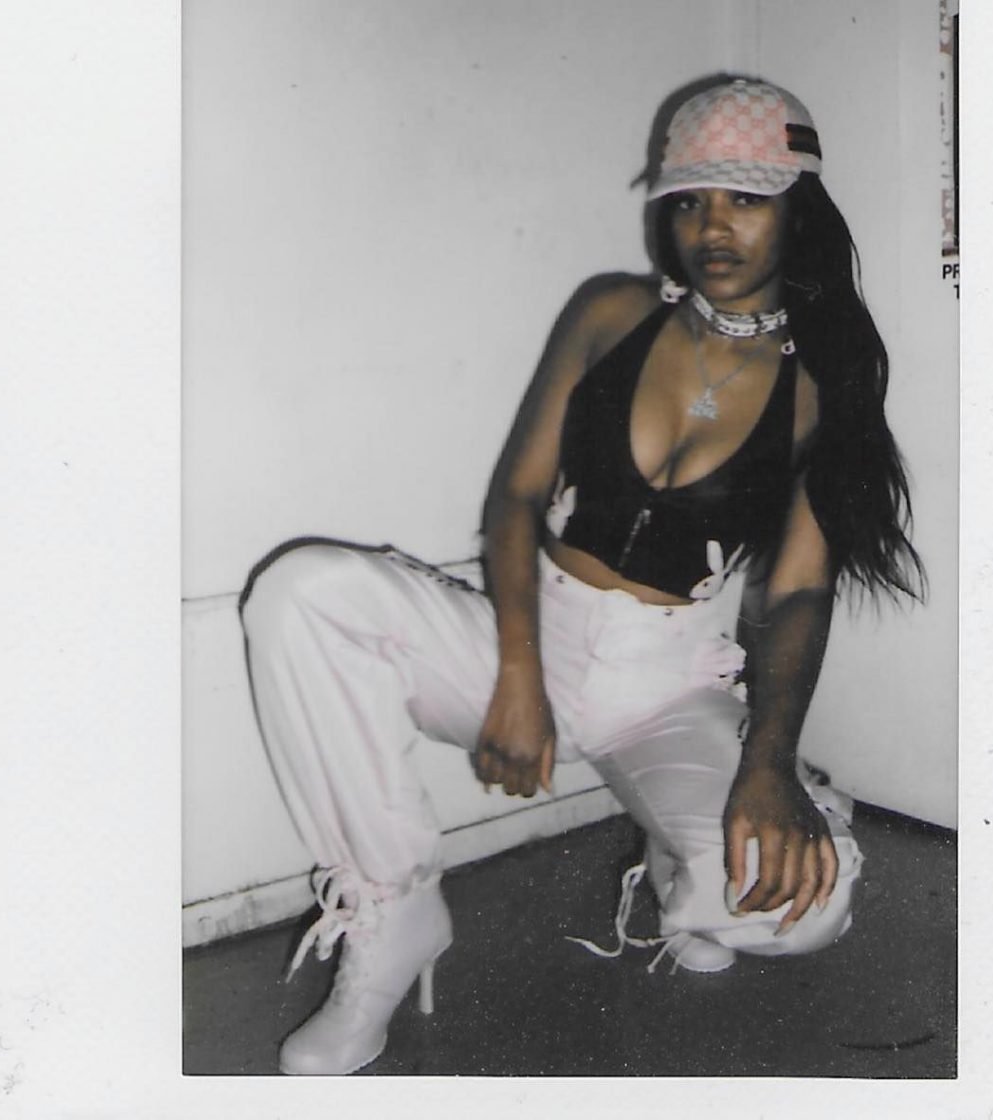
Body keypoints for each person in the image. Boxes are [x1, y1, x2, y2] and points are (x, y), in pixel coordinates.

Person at [239, 76, 925, 1076]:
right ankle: (394, 912)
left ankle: (682, 853)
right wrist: (518, 677)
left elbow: (796, 592)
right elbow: (517, 498)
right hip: (524, 642)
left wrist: (769, 766)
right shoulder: (613, 313)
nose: (712, 227)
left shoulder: (823, 385)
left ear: (798, 209)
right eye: (690, 200)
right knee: (300, 593)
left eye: (745, 198)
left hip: (664, 688)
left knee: (799, 909)